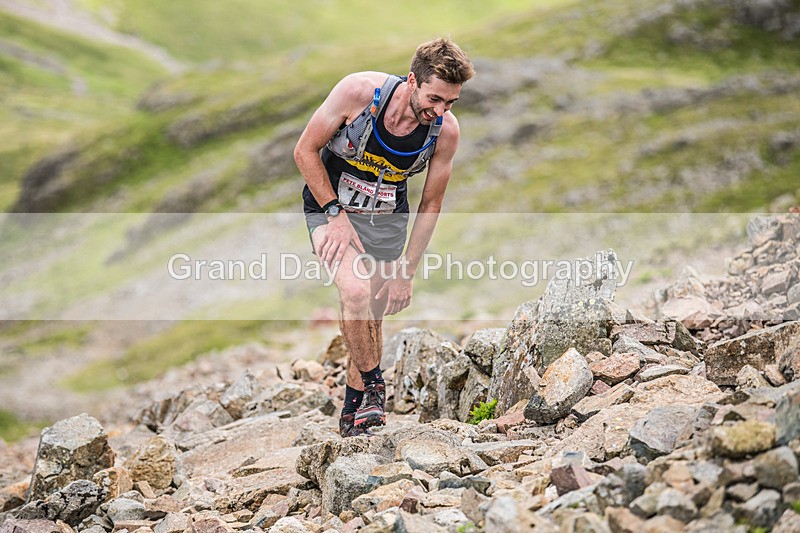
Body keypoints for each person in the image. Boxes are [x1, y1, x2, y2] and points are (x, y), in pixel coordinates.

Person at [294, 38, 474, 437]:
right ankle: (377, 385)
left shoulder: (444, 132)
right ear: (412, 80)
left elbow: (431, 204)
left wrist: (405, 271)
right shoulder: (358, 93)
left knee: (370, 315)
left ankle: (353, 413)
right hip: (331, 207)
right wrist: (334, 214)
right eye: (434, 98)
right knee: (355, 293)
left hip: (387, 221)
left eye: (450, 102)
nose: (440, 110)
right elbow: (305, 151)